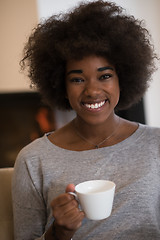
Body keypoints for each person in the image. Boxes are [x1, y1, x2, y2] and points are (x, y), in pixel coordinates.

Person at [12, 1, 160, 239]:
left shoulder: (156, 144)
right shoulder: (33, 160)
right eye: (77, 79)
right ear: (61, 84)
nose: (92, 91)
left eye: (105, 76)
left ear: (123, 78)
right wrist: (58, 232)